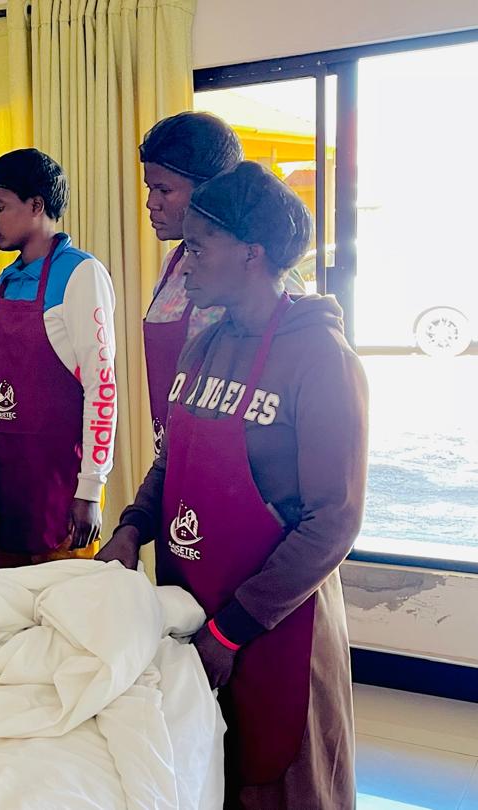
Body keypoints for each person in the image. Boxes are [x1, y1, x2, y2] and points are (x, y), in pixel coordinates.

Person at [98, 161, 368, 808]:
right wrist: (132, 528)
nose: (184, 265)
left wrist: (233, 629)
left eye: (198, 248)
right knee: (208, 773)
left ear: (252, 253)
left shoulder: (322, 359)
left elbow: (333, 521)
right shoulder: (204, 349)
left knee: (280, 777)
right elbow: (171, 461)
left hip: (278, 625)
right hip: (193, 610)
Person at [0, 148, 116, 567]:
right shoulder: (7, 279)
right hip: (6, 482)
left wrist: (90, 489)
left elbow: (101, 386)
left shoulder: (81, 273)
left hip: (59, 486)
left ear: (36, 205)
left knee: (64, 599)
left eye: (0, 207)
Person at [140, 112, 306, 454]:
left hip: (236, 461)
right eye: (150, 188)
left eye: (164, 190)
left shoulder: (267, 274)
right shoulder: (173, 265)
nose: (151, 203)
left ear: (210, 190)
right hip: (176, 455)